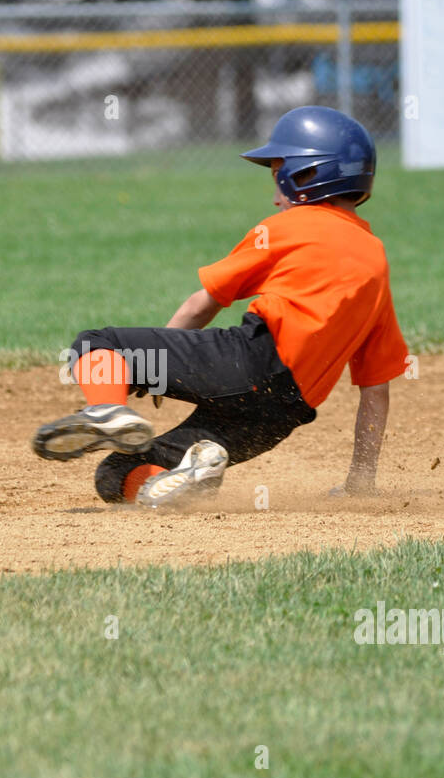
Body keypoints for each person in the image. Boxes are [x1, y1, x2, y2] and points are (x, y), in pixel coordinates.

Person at [31, 106, 409, 509]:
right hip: (281, 415)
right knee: (117, 474)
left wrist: (157, 369)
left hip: (252, 360)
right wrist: (360, 481)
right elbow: (375, 389)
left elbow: (201, 304)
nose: (275, 196)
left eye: (277, 176)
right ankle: (190, 478)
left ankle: (107, 410)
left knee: (97, 342)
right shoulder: (376, 262)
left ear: (304, 174)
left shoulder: (287, 226)